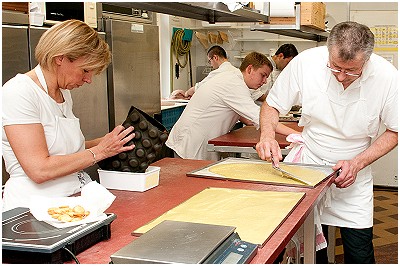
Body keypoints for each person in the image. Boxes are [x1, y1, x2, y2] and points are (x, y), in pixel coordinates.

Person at [255, 21, 398, 264]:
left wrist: (356, 164)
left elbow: (395, 131)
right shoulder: (306, 63)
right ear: (328, 52)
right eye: (335, 67)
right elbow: (272, 105)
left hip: (353, 172)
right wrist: (267, 135)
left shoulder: (388, 78)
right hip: (307, 166)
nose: (342, 76)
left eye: (352, 71)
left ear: (367, 60)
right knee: (305, 245)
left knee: (360, 250)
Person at [2, 20, 135, 211]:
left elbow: (62, 151)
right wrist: (100, 151)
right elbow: (39, 169)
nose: (88, 79)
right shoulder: (19, 92)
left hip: (71, 200)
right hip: (33, 211)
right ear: (60, 58)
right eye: (85, 70)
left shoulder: (63, 93)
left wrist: (107, 142)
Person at [166, 51, 300, 161]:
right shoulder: (234, 84)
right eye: (263, 75)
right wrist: (298, 135)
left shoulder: (235, 79)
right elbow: (262, 118)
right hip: (189, 144)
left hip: (193, 141)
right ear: (249, 69)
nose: (264, 82)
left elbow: (247, 118)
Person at [169, 45, 236, 100]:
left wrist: (186, 94)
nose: (211, 65)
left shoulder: (218, 73)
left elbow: (198, 88)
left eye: (210, 61)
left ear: (215, 57)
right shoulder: (235, 71)